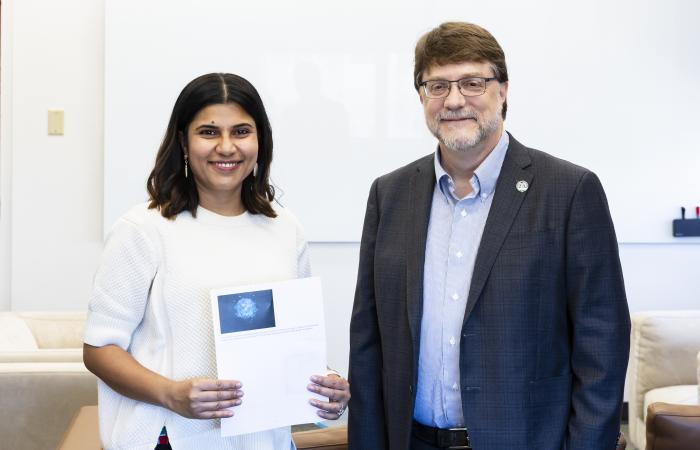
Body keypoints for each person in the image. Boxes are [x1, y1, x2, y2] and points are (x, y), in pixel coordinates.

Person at [348, 22, 630, 450]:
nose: (455, 100)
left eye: (472, 83)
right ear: (421, 97)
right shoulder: (389, 194)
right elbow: (368, 343)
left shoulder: (569, 191)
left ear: (503, 90)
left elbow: (602, 347)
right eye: (437, 85)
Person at [83, 73, 349, 450]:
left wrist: (326, 385)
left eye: (241, 131)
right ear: (183, 142)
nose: (227, 147)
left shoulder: (285, 229)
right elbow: (98, 350)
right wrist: (171, 393)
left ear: (260, 141)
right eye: (208, 132)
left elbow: (293, 343)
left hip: (265, 442)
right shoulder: (143, 229)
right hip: (169, 439)